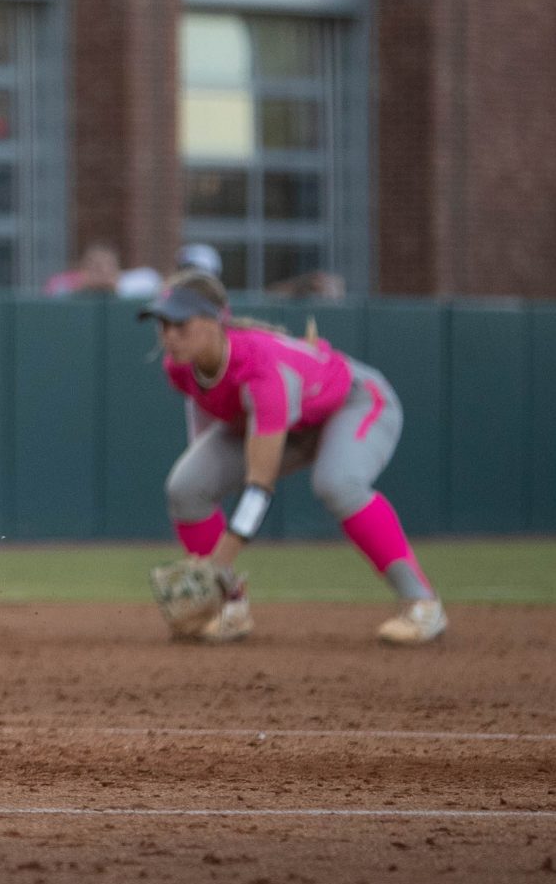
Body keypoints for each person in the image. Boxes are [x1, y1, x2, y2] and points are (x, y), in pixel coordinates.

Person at [145, 267, 446, 646]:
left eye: (180, 323)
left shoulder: (260, 370)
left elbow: (260, 487)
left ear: (215, 321)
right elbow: (205, 418)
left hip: (353, 402)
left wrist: (217, 563)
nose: (169, 335)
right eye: (163, 323)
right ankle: (228, 607)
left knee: (337, 482)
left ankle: (422, 604)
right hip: (281, 420)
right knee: (187, 487)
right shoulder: (178, 365)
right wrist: (208, 498)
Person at [43, 242, 122, 297]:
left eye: (109, 266)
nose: (103, 271)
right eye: (96, 267)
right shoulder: (62, 283)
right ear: (83, 267)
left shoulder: (125, 285)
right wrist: (83, 288)